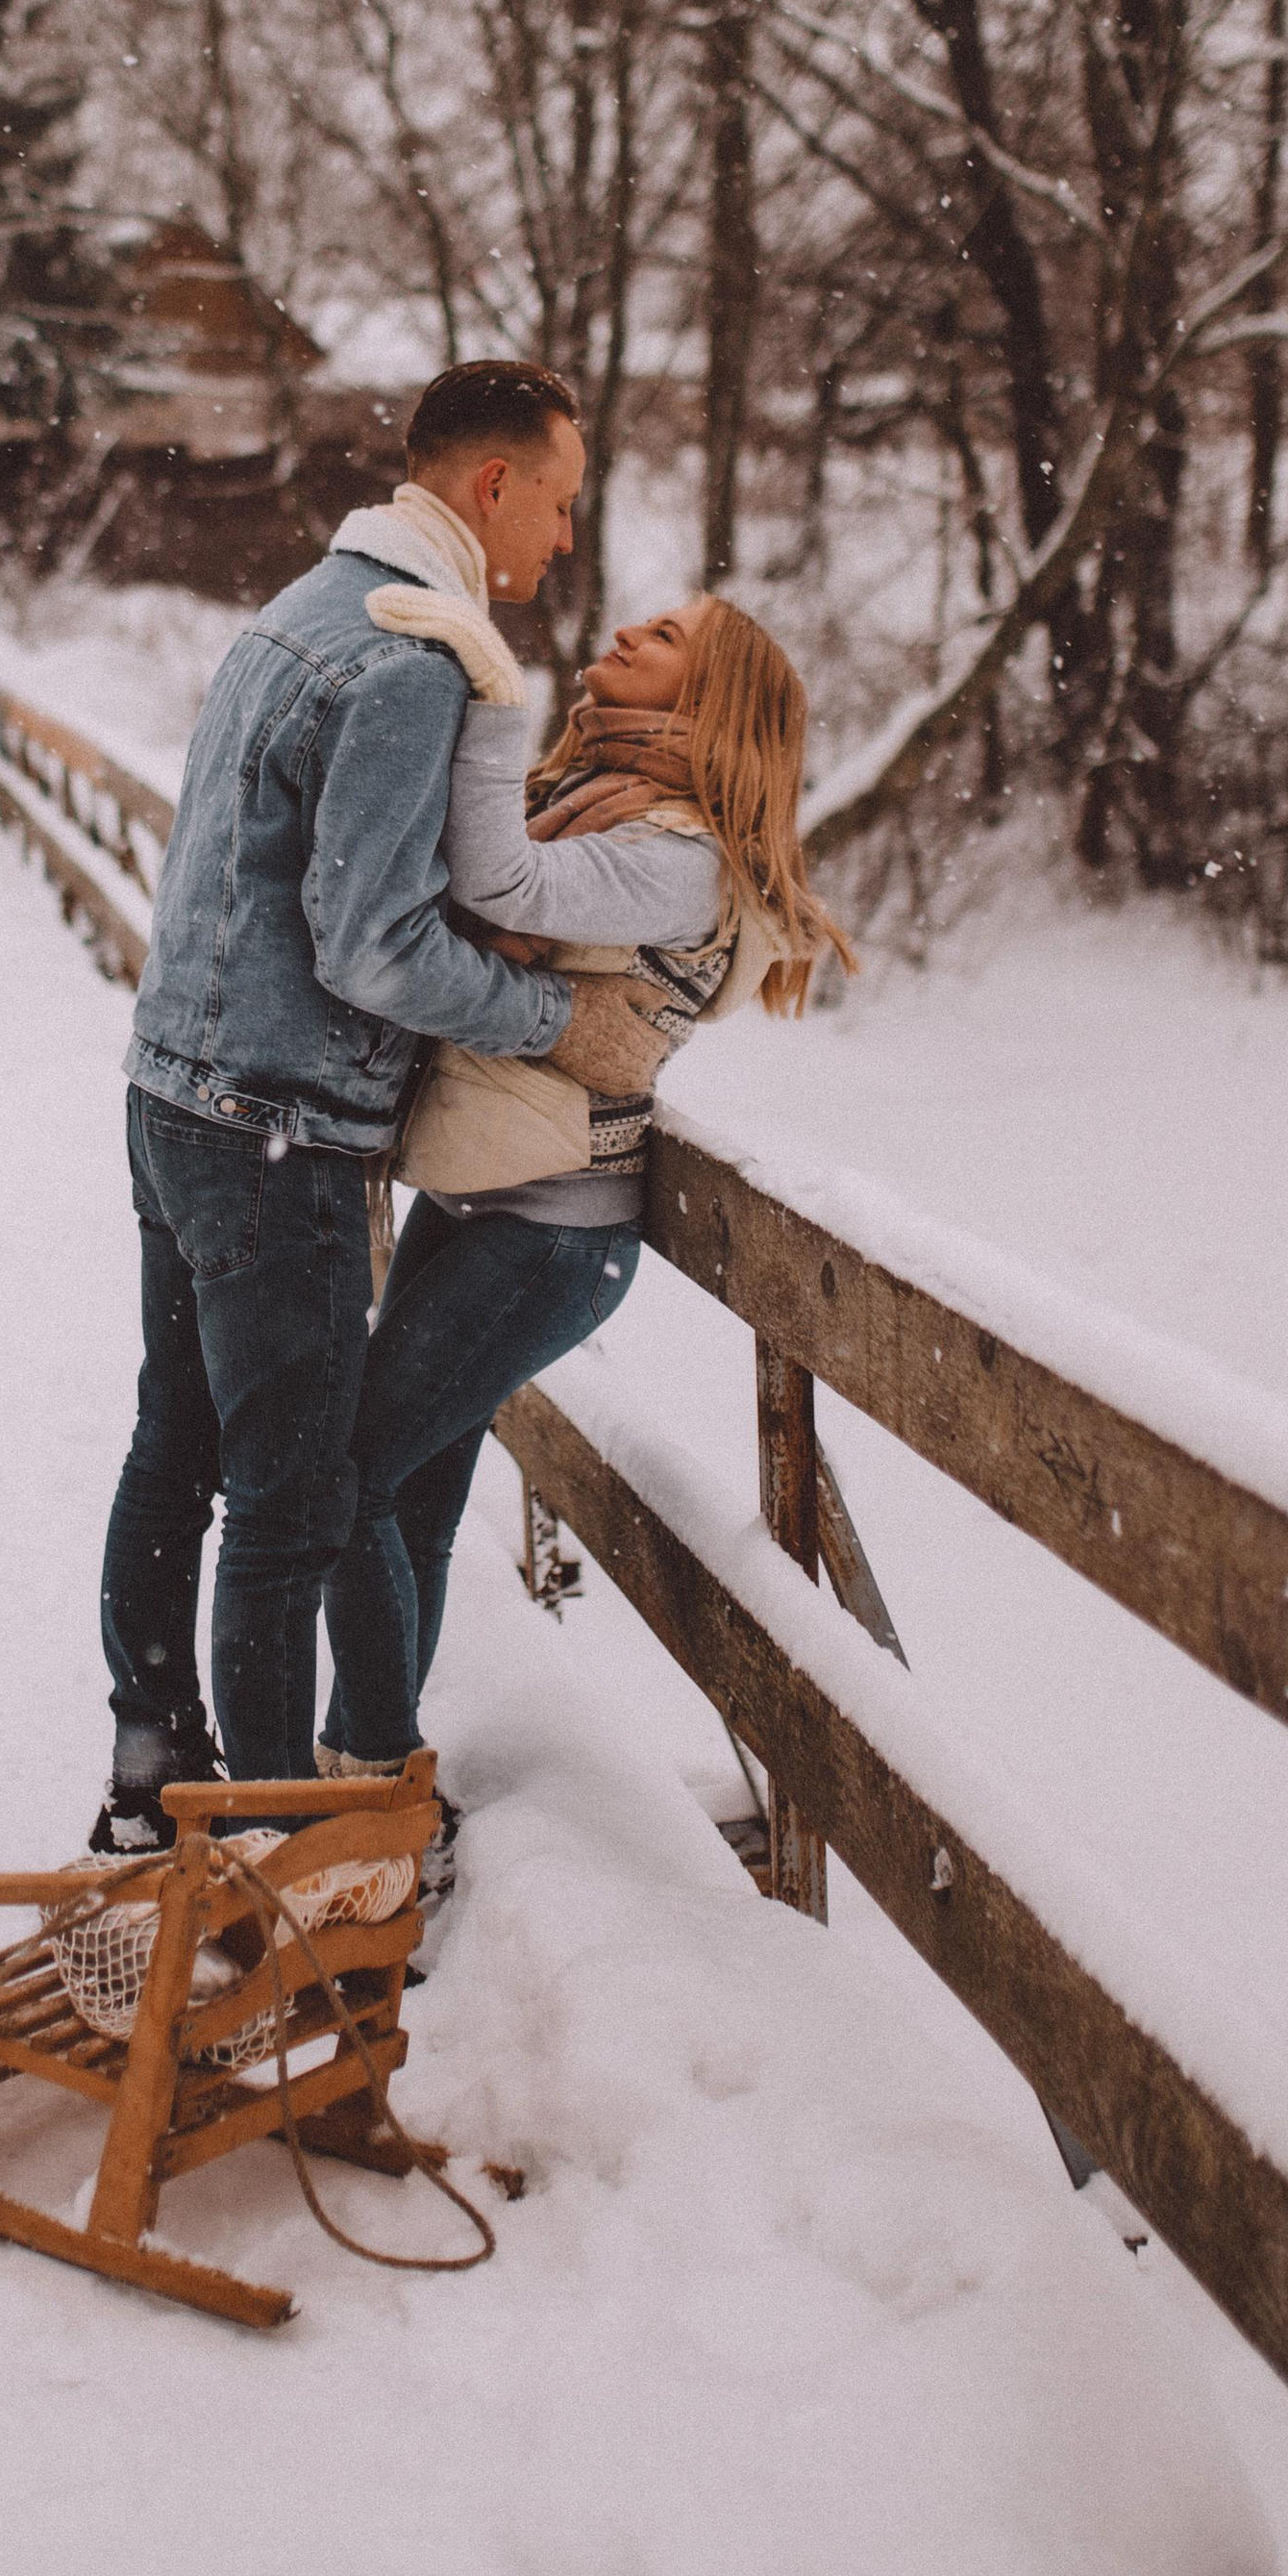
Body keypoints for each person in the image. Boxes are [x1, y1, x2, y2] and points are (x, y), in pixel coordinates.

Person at [90, 363, 672, 1849]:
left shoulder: (304, 608)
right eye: (555, 500)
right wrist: (561, 1018)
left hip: (175, 1094)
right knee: (289, 1514)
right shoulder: (415, 665)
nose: (559, 538)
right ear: (490, 488)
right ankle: (297, 1862)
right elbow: (370, 943)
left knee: (178, 1444)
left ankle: (156, 1781)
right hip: (274, 1126)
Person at [315, 591, 857, 1788]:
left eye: (662, 639)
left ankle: (371, 1778)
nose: (623, 635)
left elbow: (498, 890)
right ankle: (375, 1776)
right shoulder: (597, 805)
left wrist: (489, 691)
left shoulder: (678, 856)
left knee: (345, 1480)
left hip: (548, 1231)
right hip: (478, 1195)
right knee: (403, 1496)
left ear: (708, 703)